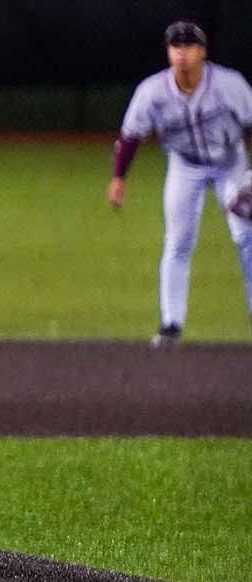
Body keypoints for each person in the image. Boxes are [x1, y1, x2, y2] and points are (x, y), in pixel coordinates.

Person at [107, 19, 252, 348]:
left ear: (202, 52)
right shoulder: (152, 92)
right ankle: (171, 323)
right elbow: (130, 137)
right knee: (178, 242)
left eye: (188, 46)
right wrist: (119, 178)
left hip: (230, 163)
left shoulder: (229, 85)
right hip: (185, 166)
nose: (181, 53)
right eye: (175, 46)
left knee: (247, 237)